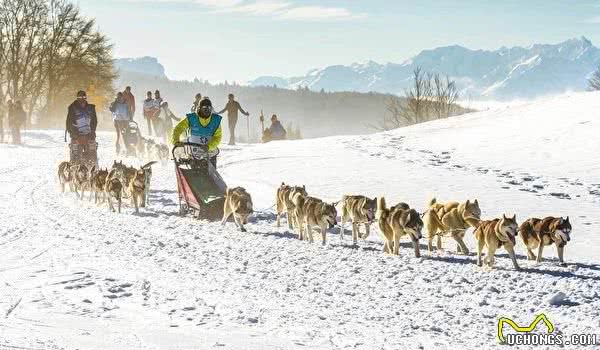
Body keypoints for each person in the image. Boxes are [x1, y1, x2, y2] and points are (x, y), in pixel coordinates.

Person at [171, 98, 222, 167]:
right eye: (204, 108)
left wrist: (209, 146)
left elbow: (218, 137)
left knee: (208, 173)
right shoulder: (192, 118)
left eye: (209, 108)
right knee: (195, 172)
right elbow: (178, 128)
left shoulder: (215, 121)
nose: (207, 110)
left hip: (209, 154)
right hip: (194, 154)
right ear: (199, 108)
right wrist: (176, 140)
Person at [66, 91, 98, 162]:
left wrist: (92, 131)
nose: (82, 99)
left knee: (93, 156)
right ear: (77, 98)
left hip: (89, 135)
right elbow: (69, 122)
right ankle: (74, 169)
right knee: (75, 157)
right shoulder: (72, 108)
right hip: (76, 135)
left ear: (86, 98)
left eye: (84, 97)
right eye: (80, 97)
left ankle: (94, 169)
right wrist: (72, 133)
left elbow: (94, 121)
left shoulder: (91, 108)